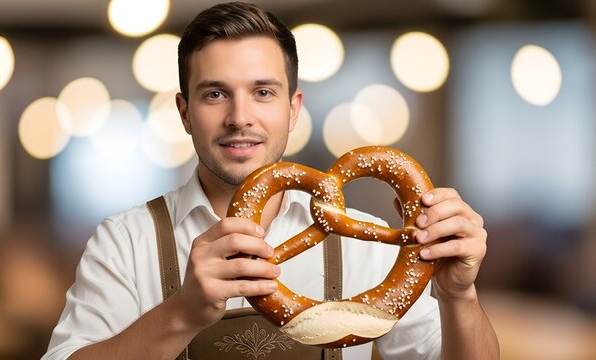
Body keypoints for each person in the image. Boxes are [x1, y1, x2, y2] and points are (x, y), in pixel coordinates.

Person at [42, 2, 499, 359]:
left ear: (293, 108)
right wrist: (180, 313)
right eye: (215, 94)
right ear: (184, 113)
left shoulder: (368, 247)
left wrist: (460, 296)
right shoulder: (125, 241)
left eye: (263, 92)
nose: (240, 118)